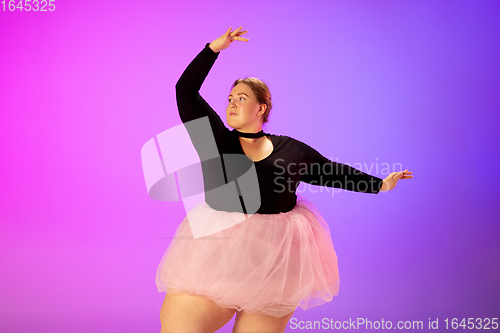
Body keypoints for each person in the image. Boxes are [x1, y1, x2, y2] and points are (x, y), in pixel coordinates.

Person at [157, 26, 413, 333]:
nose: (232, 104)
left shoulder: (292, 149)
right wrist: (213, 48)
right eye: (229, 99)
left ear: (261, 108)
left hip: (274, 265)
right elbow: (184, 90)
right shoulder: (215, 139)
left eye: (241, 98)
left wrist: (379, 184)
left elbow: (331, 172)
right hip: (217, 255)